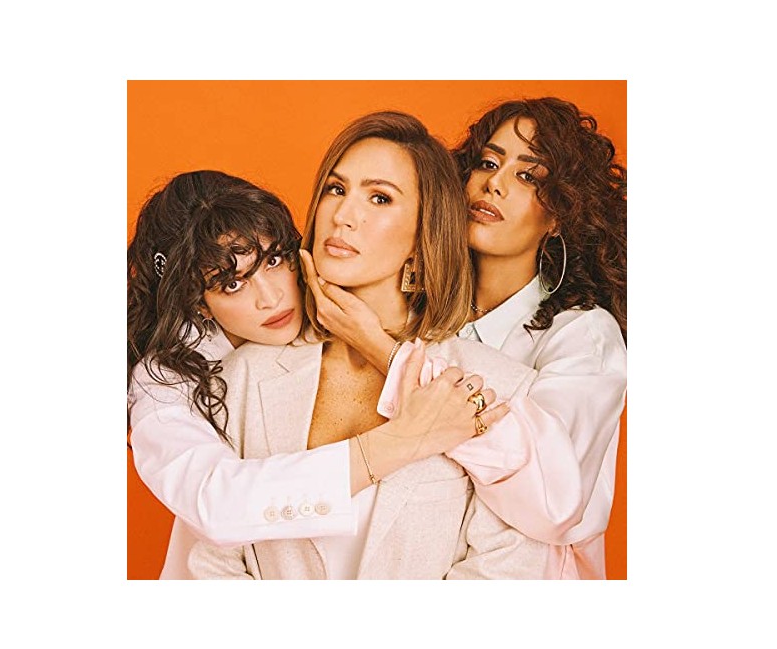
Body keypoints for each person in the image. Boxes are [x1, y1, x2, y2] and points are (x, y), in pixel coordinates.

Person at [188, 112, 554, 580]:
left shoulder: (496, 385)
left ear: (423, 234)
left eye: (379, 197)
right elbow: (210, 562)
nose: (343, 215)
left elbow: (507, 568)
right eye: (335, 189)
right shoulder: (243, 376)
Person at [280, 98, 627, 579]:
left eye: (528, 176)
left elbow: (552, 504)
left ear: (559, 215)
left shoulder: (581, 336)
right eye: (487, 163)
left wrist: (380, 348)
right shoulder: (427, 317)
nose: (494, 183)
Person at [128, 170, 508, 579]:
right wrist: (404, 439)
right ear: (197, 304)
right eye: (232, 284)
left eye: (273, 261)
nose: (271, 298)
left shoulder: (335, 322)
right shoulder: (162, 385)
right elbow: (219, 505)